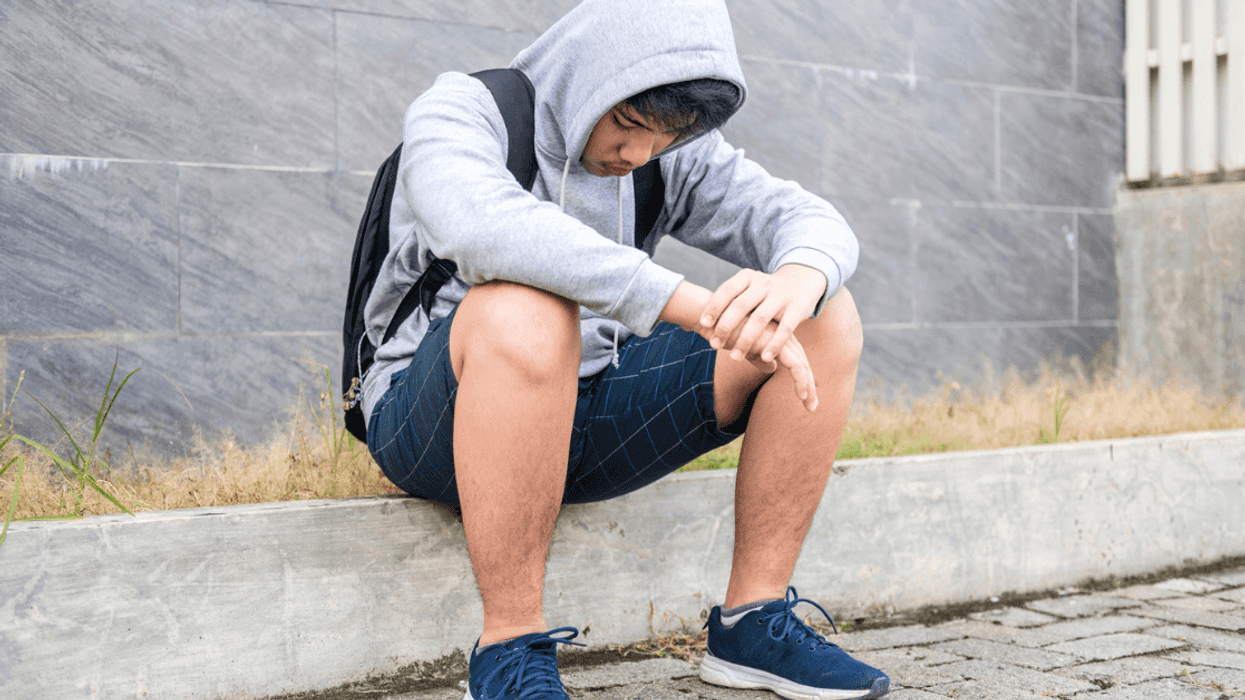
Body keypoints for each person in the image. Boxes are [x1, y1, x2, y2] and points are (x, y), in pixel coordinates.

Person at [360, 1, 889, 698]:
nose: (637, 155)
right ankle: (509, 650)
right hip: (440, 422)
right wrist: (691, 305)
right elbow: (480, 227)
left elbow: (804, 218)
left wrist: (799, 276)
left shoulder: (668, 152)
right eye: (629, 125)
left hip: (593, 413)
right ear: (588, 77)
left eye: (661, 139)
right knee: (525, 305)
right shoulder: (465, 110)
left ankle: (752, 623)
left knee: (822, 313)